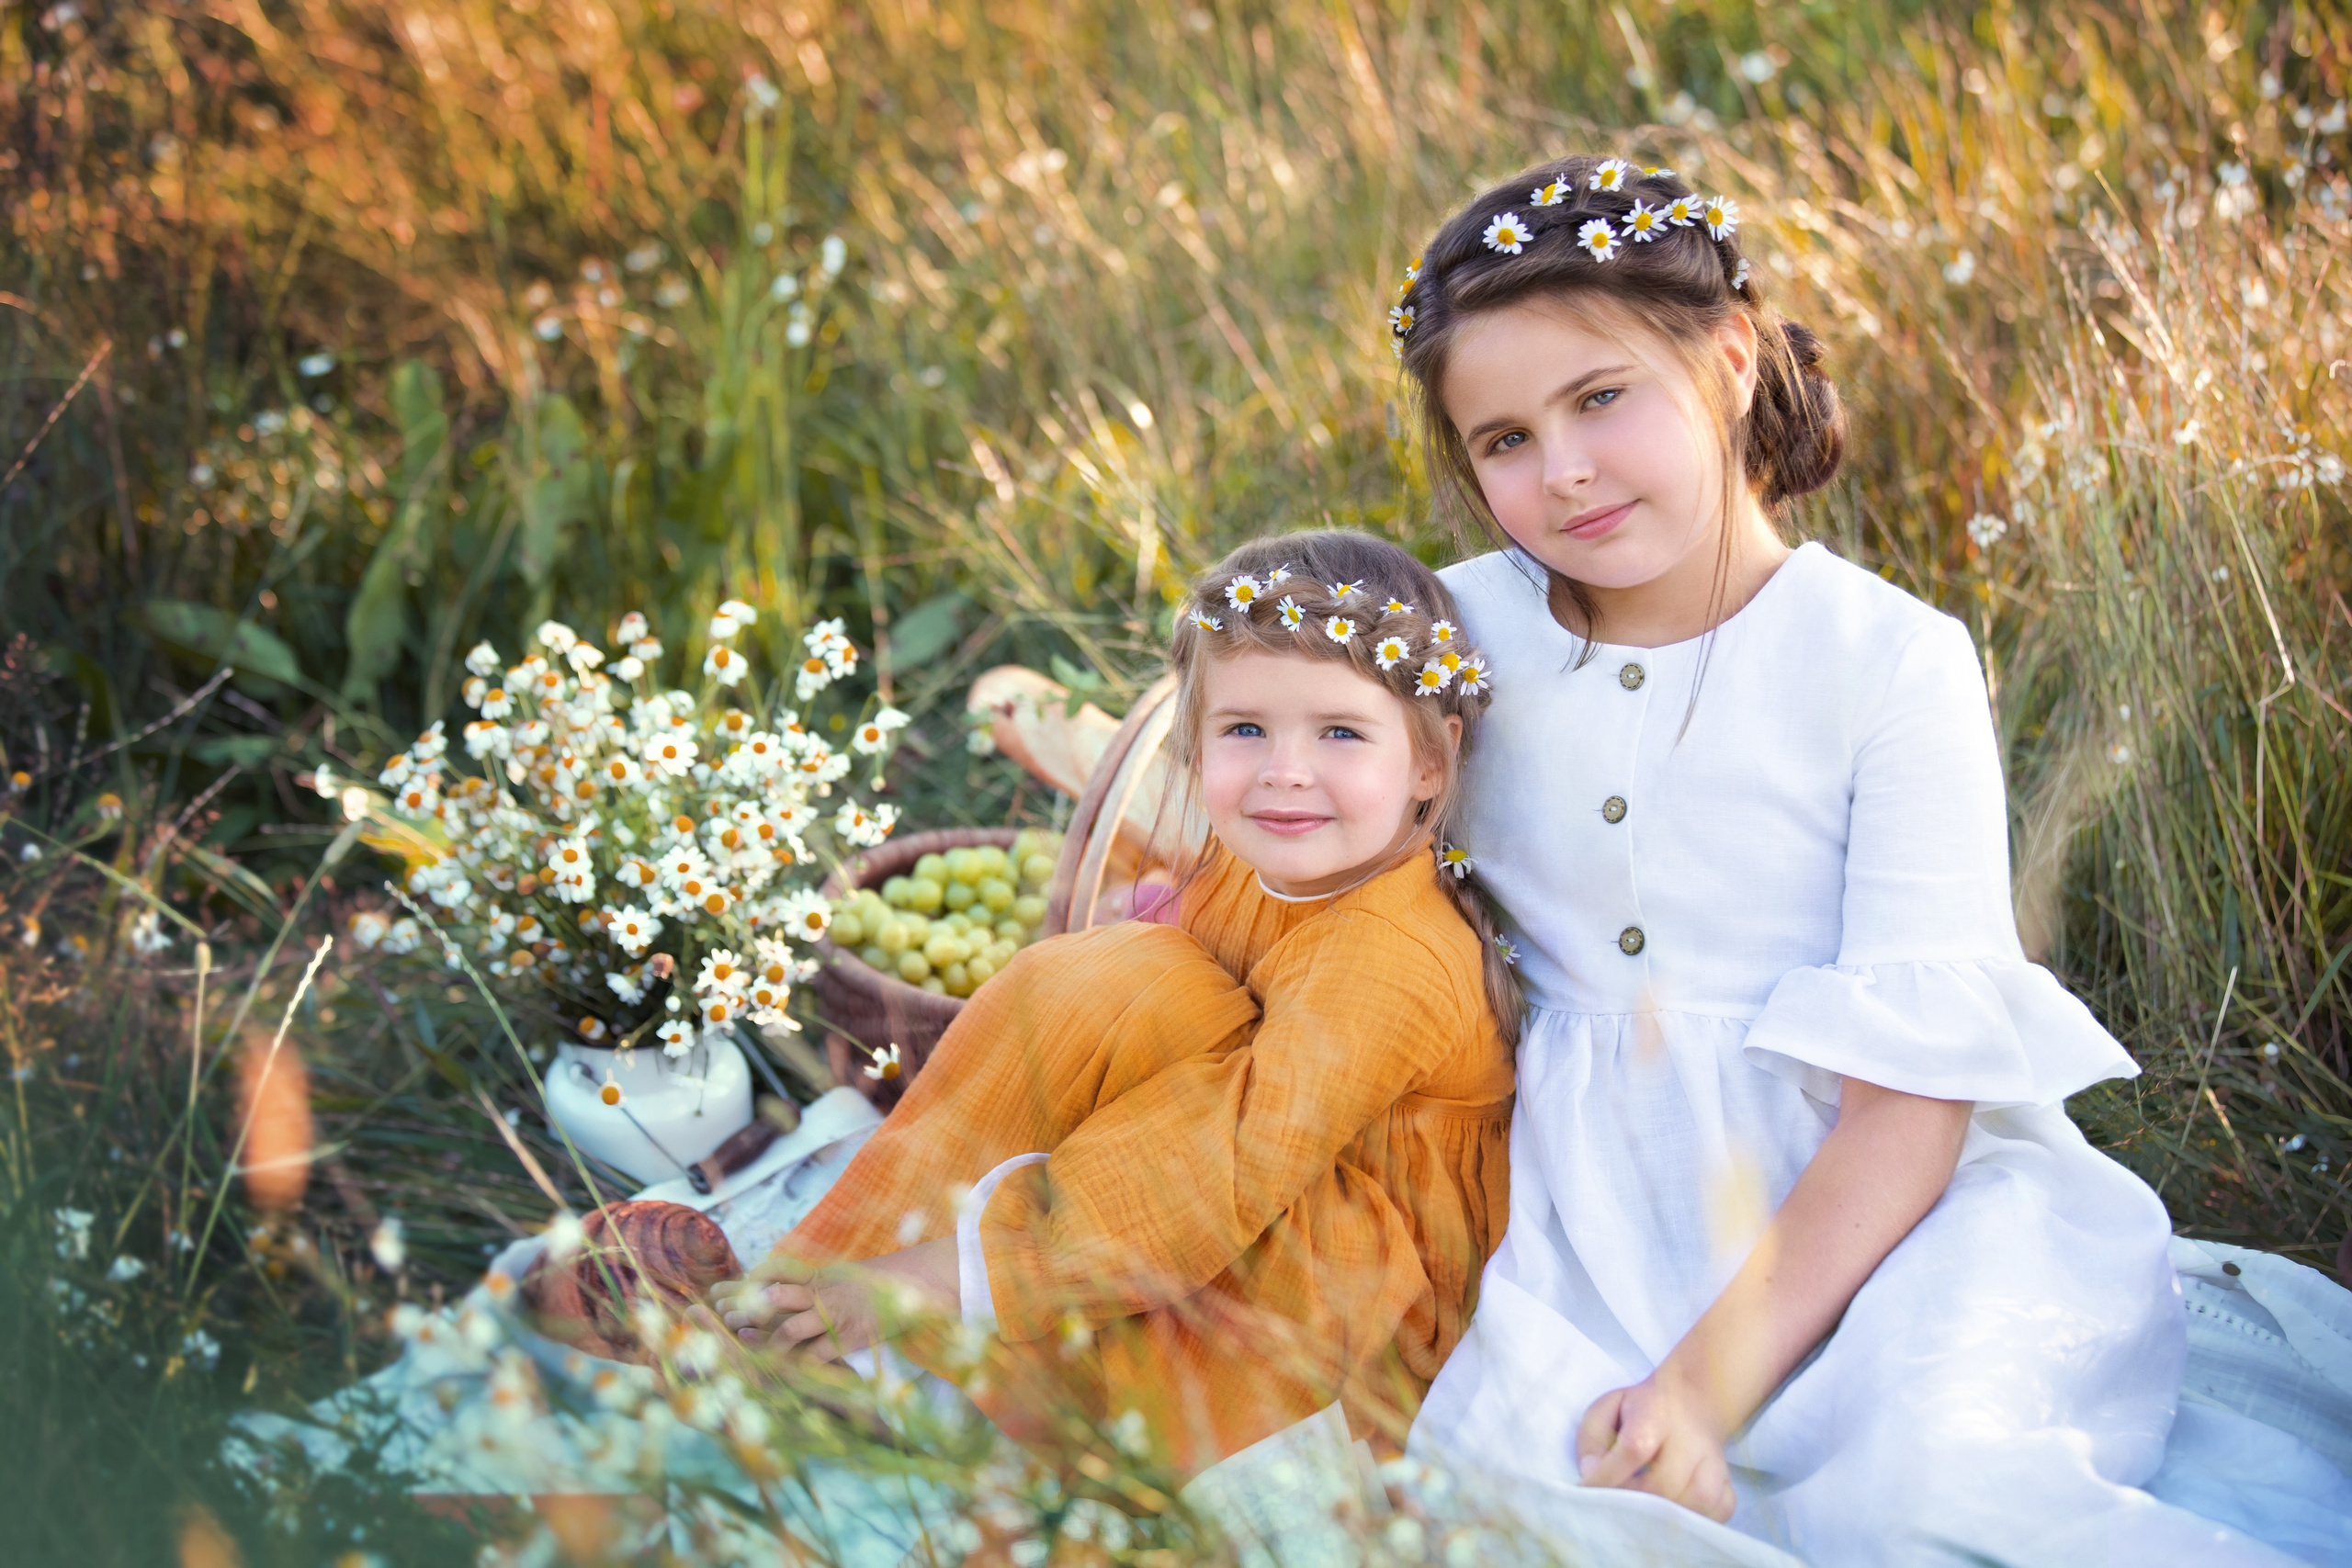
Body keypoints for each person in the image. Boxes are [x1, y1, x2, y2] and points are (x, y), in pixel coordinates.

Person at [1390, 152, 2352, 1564]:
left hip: (1896, 1211)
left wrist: (1701, 1385)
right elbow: (1281, 790)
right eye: (1505, 439)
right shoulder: (1453, 638)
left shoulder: (1890, 658)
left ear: (1729, 360)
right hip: (1583, 1218)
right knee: (1523, 1504)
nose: (1565, 469)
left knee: (1927, 1498)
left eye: (1601, 398)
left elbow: (1911, 1104)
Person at [713, 532, 1518, 1475]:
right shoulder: (1273, 859)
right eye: (1244, 729)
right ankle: (826, 1301)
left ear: (1430, 761)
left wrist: (961, 1274)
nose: (1284, 771)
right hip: (1234, 1190)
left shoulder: (1391, 953)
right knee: (1109, 976)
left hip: (1357, 1301)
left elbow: (1234, 1162)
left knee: (1124, 985)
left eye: (1339, 733)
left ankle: (949, 1322)